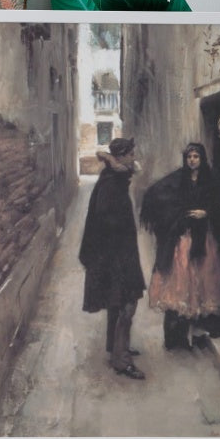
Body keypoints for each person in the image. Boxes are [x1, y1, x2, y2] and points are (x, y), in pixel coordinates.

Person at [140, 142, 220, 350]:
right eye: (189, 157)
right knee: (181, 282)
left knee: (203, 283)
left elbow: (219, 204)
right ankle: (177, 339)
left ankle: (199, 334)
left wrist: (206, 213)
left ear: (202, 158)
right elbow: (158, 193)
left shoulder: (210, 179)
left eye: (196, 156)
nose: (192, 160)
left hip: (203, 237)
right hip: (184, 237)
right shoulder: (179, 178)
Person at [79, 136, 146, 380]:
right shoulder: (111, 183)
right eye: (130, 154)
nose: (134, 158)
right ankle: (122, 361)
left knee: (116, 302)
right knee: (127, 304)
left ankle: (116, 348)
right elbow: (105, 220)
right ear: (121, 157)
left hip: (119, 253)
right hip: (115, 255)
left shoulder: (115, 177)